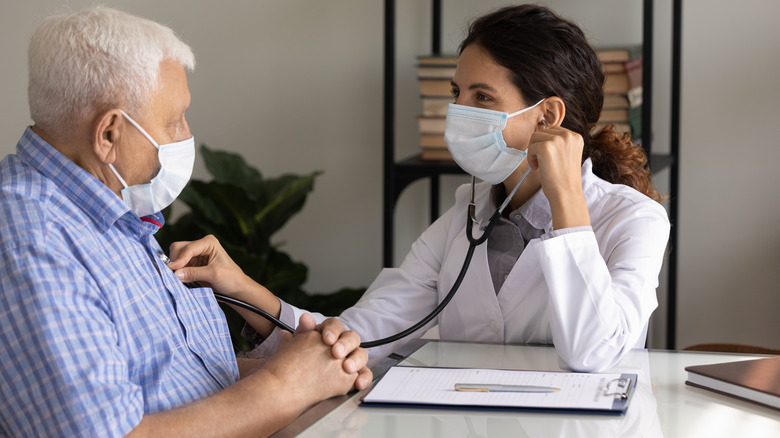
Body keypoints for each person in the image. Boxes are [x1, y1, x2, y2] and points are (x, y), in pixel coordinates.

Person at [171, 4, 670, 373]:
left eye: (482, 96)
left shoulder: (633, 221)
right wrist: (241, 289)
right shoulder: (463, 219)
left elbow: (596, 353)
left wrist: (567, 203)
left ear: (548, 116)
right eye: (458, 93)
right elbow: (353, 341)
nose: (459, 112)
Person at [0, 6, 371, 437]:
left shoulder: (105, 210)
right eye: (173, 120)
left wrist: (312, 367)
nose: (185, 134)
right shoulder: (31, 239)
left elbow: (163, 375)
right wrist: (285, 386)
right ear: (108, 135)